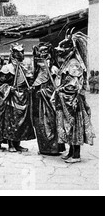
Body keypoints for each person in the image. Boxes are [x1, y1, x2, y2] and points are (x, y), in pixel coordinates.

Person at [52, 30, 95, 163]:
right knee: (68, 127)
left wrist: (61, 90)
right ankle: (71, 152)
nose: (60, 52)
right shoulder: (68, 62)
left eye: (62, 50)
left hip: (73, 101)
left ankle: (76, 155)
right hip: (66, 100)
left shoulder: (74, 64)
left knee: (74, 127)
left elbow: (74, 85)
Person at [0, 44, 35, 153]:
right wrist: (8, 89)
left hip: (23, 97)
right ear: (13, 53)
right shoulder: (7, 68)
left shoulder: (24, 67)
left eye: (22, 52)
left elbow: (29, 81)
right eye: (18, 52)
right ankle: (10, 144)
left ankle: (18, 143)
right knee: (11, 121)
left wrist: (30, 88)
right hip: (12, 98)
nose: (21, 54)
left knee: (21, 122)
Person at [31, 43, 65, 155]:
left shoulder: (53, 68)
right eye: (41, 51)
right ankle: (44, 148)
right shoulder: (38, 68)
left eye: (45, 51)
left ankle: (53, 148)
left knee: (50, 122)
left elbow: (56, 86)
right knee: (40, 122)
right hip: (39, 101)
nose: (43, 53)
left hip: (49, 101)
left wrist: (45, 92)